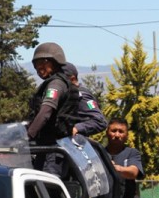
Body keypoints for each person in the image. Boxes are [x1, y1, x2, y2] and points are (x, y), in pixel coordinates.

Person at [27, 42, 79, 175]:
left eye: (40, 64)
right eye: (35, 65)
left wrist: (27, 136)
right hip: (49, 148)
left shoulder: (56, 84)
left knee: (47, 190)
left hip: (52, 151)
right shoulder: (56, 82)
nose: (38, 69)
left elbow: (46, 111)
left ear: (52, 62)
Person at [61, 63, 108, 137]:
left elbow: (100, 121)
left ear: (72, 79)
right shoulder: (66, 94)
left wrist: (77, 128)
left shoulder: (82, 96)